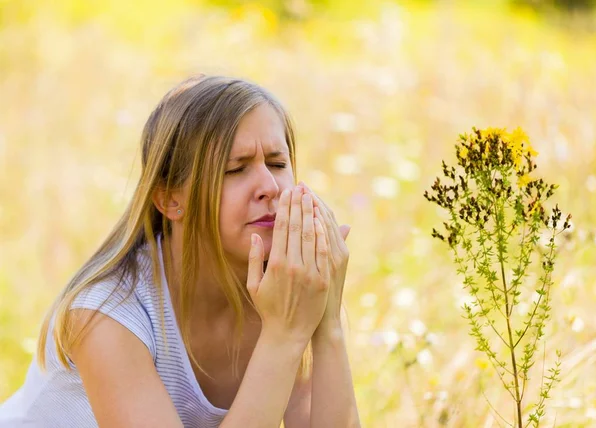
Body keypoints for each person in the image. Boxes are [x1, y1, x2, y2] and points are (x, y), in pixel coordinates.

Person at [0, 74, 361, 427]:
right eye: (235, 170)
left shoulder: (286, 292)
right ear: (170, 199)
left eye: (278, 164)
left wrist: (326, 325)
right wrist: (283, 337)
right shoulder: (107, 316)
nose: (269, 186)